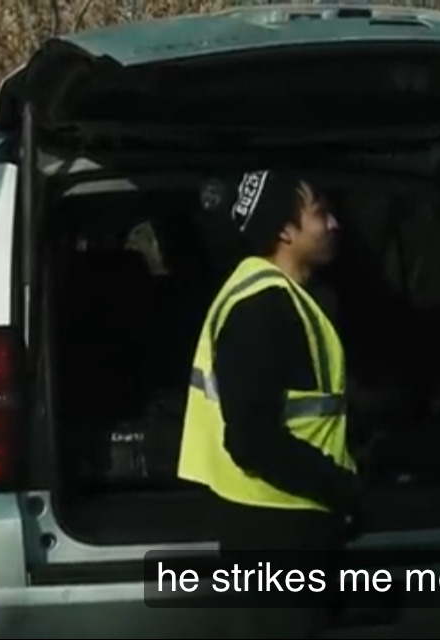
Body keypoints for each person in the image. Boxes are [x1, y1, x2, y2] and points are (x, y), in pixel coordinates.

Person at [177, 169, 363, 638]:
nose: (334, 224)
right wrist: (343, 490)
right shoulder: (259, 308)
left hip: (292, 521)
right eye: (320, 214)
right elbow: (252, 440)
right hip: (275, 528)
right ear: (284, 231)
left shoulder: (288, 296)